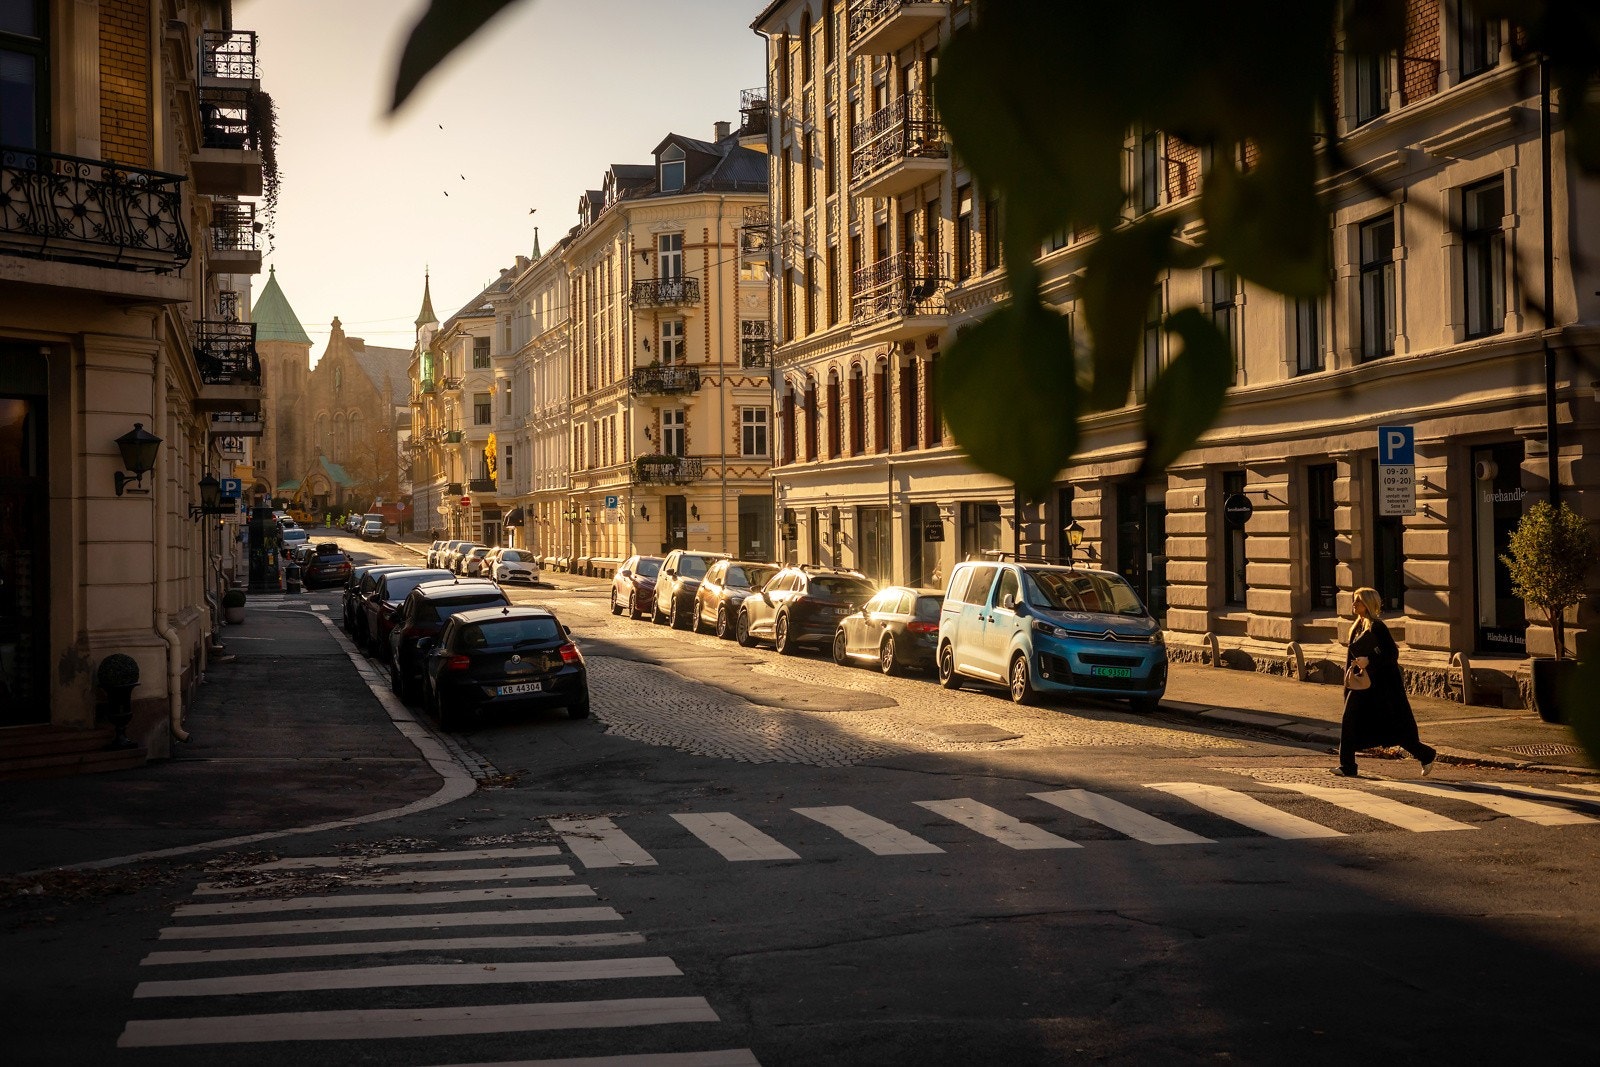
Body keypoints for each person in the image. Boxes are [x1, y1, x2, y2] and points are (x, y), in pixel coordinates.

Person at [1334, 586, 1436, 778]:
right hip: (1362, 684)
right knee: (1356, 724)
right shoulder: (1357, 626)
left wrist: (1369, 662)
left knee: (1389, 727)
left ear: (1368, 604)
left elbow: (1391, 654)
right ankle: (1347, 765)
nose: (1354, 604)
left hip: (1380, 688)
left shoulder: (1377, 627)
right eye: (1354, 600)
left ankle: (1426, 754)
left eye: (1358, 601)